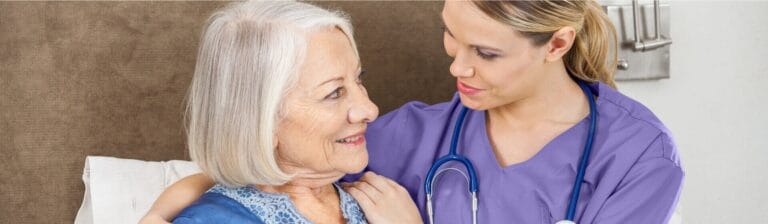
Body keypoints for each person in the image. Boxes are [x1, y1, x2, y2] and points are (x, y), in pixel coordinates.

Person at [144, 1, 684, 223]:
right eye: (450, 36)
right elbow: (280, 157)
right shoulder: (406, 135)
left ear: (558, 44)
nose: (458, 69)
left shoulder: (637, 157)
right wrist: (184, 190)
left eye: (486, 53)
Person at [139, 1, 422, 223]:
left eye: (358, 79)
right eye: (334, 93)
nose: (369, 109)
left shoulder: (380, 197)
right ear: (261, 123)